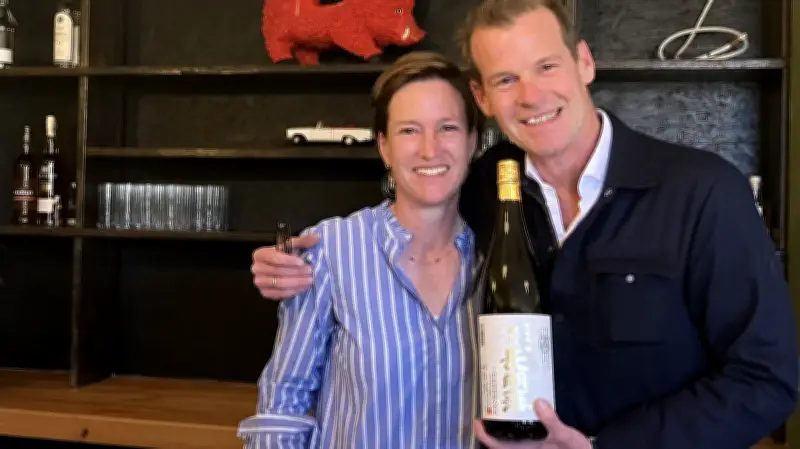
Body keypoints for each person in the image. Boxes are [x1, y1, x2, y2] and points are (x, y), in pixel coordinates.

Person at [251, 0, 799, 448]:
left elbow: (767, 379)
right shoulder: (484, 190)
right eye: (506, 78)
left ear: (584, 62)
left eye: (547, 67)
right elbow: (414, 199)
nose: (531, 96)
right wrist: (286, 265)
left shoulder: (701, 191)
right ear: (484, 98)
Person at [237, 51, 486, 448]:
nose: (430, 149)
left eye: (448, 128)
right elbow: (283, 403)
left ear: (473, 141)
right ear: (384, 147)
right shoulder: (332, 249)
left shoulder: (496, 257)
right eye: (409, 131)